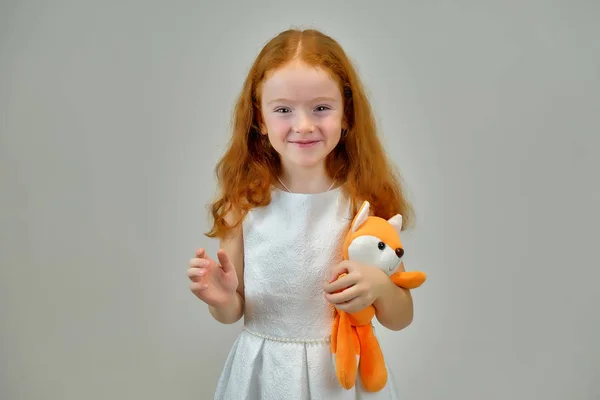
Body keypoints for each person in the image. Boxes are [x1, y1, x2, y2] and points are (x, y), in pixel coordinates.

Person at [187, 28, 417, 399]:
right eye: (283, 110)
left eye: (321, 108)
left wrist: (379, 287)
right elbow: (233, 311)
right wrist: (222, 298)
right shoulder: (245, 204)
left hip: (342, 375)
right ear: (260, 120)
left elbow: (401, 316)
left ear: (347, 115)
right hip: (266, 374)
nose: (304, 125)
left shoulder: (362, 203)